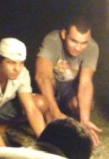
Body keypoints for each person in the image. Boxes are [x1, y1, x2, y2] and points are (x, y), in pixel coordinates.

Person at [35, 14, 101, 144]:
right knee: (44, 101)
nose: (78, 48)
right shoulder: (52, 40)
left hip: (69, 88)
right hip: (51, 85)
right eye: (74, 41)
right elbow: (42, 76)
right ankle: (52, 119)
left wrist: (85, 119)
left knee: (83, 105)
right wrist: (55, 112)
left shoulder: (93, 47)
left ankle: (75, 127)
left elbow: (86, 83)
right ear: (64, 34)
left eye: (83, 43)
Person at [0, 37, 48, 147]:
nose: (17, 69)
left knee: (39, 102)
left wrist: (47, 144)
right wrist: (6, 154)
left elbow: (31, 109)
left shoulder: (22, 72)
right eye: (11, 63)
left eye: (21, 63)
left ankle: (2, 127)